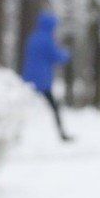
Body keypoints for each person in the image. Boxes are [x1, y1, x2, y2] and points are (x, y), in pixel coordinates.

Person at [21, 12, 73, 142]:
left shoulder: (33, 38)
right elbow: (55, 56)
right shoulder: (47, 39)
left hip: (28, 78)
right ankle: (62, 134)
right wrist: (66, 55)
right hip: (43, 80)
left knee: (21, 107)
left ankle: (14, 134)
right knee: (54, 107)